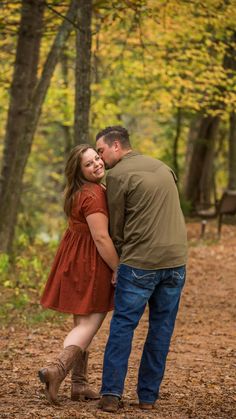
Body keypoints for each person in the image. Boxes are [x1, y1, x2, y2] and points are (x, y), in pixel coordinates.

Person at [96, 126, 188, 412]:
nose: (100, 158)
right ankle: (148, 397)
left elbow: (116, 227)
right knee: (161, 329)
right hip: (176, 262)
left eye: (100, 150)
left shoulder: (118, 176)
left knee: (123, 326)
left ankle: (111, 394)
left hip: (140, 263)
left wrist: (117, 262)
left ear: (115, 146)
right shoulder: (164, 168)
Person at [38, 144, 119, 404]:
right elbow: (101, 237)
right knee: (88, 326)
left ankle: (79, 385)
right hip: (91, 262)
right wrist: (118, 267)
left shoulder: (78, 191)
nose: (96, 164)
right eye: (88, 163)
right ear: (79, 170)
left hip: (74, 260)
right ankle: (57, 370)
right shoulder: (94, 194)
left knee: (80, 325)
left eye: (97, 158)